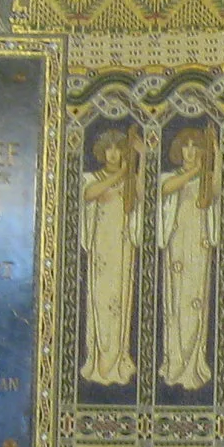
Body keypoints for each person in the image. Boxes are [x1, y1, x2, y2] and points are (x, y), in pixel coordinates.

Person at [78, 126, 142, 388]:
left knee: (120, 303)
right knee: (101, 303)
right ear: (102, 151)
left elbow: (141, 195)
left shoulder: (129, 179)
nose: (114, 154)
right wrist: (122, 172)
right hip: (101, 250)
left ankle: (117, 360)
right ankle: (99, 360)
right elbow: (89, 194)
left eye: (119, 148)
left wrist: (142, 159)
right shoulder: (90, 177)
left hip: (123, 247)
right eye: (110, 148)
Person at [158, 126, 219, 393]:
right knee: (176, 304)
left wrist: (217, 157)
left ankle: (194, 363)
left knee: (196, 303)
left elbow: (216, 189)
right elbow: (168, 189)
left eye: (197, 147)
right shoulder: (169, 177)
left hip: (200, 245)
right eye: (187, 146)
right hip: (177, 245)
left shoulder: (207, 180)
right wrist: (198, 169)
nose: (191, 151)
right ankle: (175, 363)